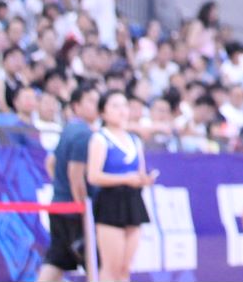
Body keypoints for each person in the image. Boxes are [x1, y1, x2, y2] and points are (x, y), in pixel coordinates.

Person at [87, 91, 158, 282]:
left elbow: (139, 172)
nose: (122, 110)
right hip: (110, 203)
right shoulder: (100, 138)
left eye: (124, 105)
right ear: (103, 112)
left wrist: (144, 180)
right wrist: (124, 179)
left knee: (125, 268)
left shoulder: (134, 140)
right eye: (115, 106)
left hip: (132, 201)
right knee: (111, 268)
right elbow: (93, 176)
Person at [40, 84, 99, 282]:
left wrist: (60, 186)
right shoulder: (84, 134)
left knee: (57, 259)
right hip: (74, 210)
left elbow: (50, 162)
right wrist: (82, 206)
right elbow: (76, 176)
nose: (96, 105)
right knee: (95, 262)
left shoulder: (69, 129)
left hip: (58, 205)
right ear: (76, 106)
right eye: (90, 101)